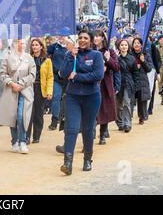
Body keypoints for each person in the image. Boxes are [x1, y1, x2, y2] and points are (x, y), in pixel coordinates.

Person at [59, 30, 104, 175]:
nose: (82, 40)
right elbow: (64, 73)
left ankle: (87, 159)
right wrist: (71, 57)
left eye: (85, 38)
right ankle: (67, 162)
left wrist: (77, 76)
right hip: (73, 96)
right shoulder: (71, 54)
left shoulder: (96, 55)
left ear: (90, 40)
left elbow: (98, 75)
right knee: (71, 128)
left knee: (88, 129)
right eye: (80, 38)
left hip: (92, 96)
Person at [0, 39, 36, 154]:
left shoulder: (29, 57)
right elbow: (2, 73)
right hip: (10, 90)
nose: (20, 44)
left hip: (25, 91)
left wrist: (21, 84)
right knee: (12, 116)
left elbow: (32, 75)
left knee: (21, 115)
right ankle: (14, 141)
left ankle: (23, 141)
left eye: (22, 42)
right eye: (18, 42)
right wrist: (11, 83)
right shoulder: (7, 57)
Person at [93, 30, 119, 145]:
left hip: (105, 84)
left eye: (98, 36)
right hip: (92, 82)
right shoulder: (91, 51)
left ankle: (102, 134)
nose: (95, 38)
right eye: (94, 36)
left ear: (103, 38)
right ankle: (91, 133)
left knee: (105, 110)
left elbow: (116, 67)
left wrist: (108, 59)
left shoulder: (109, 51)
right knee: (92, 110)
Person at [26, 38, 53, 144]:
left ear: (41, 46)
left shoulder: (47, 60)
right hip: (29, 88)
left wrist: (49, 91)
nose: (34, 47)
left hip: (41, 89)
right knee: (28, 113)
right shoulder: (28, 59)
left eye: (37, 45)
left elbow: (50, 77)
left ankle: (36, 136)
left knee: (38, 114)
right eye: (33, 45)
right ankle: (26, 136)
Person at [116, 39, 138, 132]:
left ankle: (127, 123)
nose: (124, 46)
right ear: (119, 47)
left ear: (128, 47)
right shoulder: (116, 58)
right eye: (122, 45)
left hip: (128, 84)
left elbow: (135, 73)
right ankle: (120, 123)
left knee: (127, 103)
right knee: (118, 105)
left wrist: (135, 85)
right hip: (118, 83)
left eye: (125, 45)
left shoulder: (132, 58)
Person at [47, 36, 68, 130]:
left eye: (63, 35)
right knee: (56, 97)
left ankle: (65, 119)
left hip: (68, 77)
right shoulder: (54, 46)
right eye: (60, 35)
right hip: (56, 76)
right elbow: (45, 53)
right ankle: (54, 120)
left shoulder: (71, 46)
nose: (61, 37)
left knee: (68, 99)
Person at [131, 37, 153, 124]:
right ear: (132, 45)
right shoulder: (130, 55)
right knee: (130, 100)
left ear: (141, 45)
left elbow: (149, 69)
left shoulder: (146, 55)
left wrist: (143, 61)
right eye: (135, 43)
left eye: (138, 43)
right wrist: (135, 67)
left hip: (142, 80)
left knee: (142, 99)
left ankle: (142, 117)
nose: (136, 44)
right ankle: (128, 117)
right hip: (132, 80)